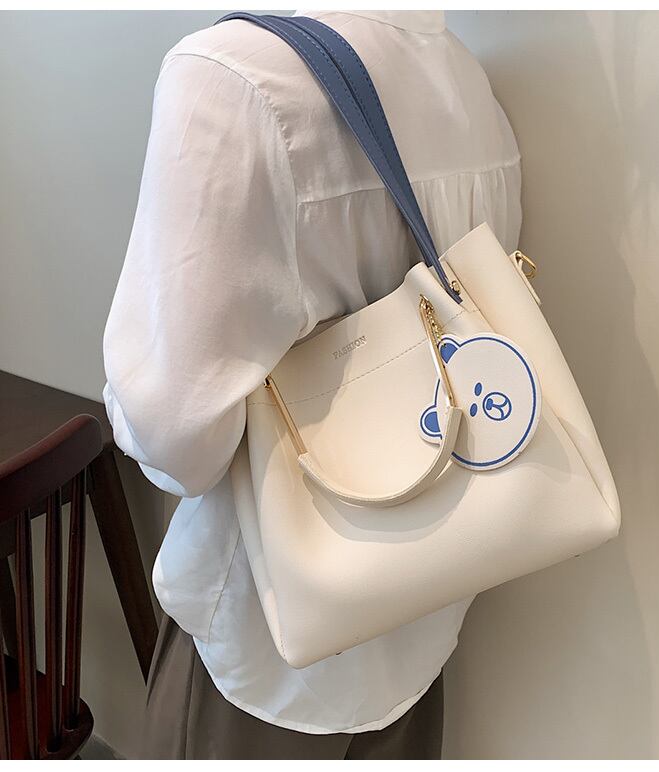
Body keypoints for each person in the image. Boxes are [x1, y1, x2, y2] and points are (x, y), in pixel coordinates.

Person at [102, 10, 522, 760]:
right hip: (424, 615)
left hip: (265, 647)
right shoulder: (464, 78)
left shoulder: (233, 75)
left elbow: (174, 438)